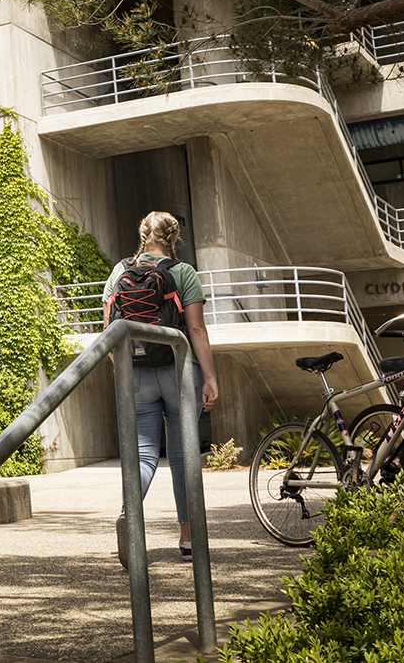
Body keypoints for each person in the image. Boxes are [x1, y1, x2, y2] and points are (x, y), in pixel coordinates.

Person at [109, 211, 219, 562]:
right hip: (178, 370)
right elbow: (196, 330)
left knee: (142, 453)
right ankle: (188, 537)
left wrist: (122, 368)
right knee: (183, 455)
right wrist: (211, 377)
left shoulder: (121, 271)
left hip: (136, 372)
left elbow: (110, 328)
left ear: (142, 235)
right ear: (174, 237)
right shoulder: (182, 272)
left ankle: (129, 515)